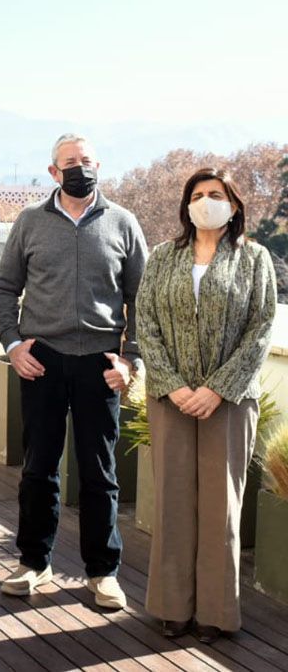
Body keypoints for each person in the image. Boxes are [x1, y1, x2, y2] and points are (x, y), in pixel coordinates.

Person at [0, 133, 147, 609]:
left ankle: (103, 573)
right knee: (38, 468)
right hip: (43, 361)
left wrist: (131, 360)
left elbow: (142, 300)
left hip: (101, 364)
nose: (80, 168)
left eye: (86, 160)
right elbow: (3, 287)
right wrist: (14, 345)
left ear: (98, 165)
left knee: (100, 474)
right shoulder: (31, 222)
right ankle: (34, 563)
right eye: (69, 162)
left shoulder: (122, 223)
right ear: (53, 172)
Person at [137, 168, 275, 644]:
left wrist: (217, 388)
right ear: (185, 205)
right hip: (170, 399)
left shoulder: (255, 259)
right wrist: (174, 386)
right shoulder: (161, 257)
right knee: (173, 502)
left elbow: (261, 330)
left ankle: (216, 612)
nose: (205, 201)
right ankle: (172, 607)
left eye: (215, 194)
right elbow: (147, 324)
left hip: (230, 401)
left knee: (221, 508)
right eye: (197, 195)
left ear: (233, 205)